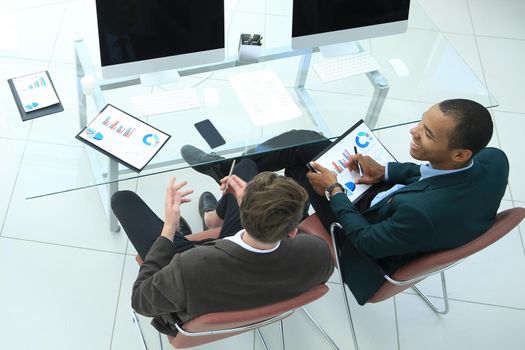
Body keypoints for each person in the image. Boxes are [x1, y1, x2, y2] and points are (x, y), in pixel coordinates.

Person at [181, 98, 509, 305]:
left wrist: (334, 190)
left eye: (427, 134)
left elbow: (367, 242)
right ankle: (230, 175)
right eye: (421, 123)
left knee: (301, 167)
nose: (413, 131)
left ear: (460, 152)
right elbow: (430, 174)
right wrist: (387, 171)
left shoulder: (422, 214)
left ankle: (236, 209)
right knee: (310, 142)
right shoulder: (493, 159)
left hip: (364, 239)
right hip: (394, 211)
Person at [111, 159, 334, 335]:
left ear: (239, 210)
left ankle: (206, 220)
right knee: (245, 167)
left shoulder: (188, 267)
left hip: (203, 270)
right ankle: (212, 219)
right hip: (229, 268)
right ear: (293, 230)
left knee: (122, 199)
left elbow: (140, 300)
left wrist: (169, 228)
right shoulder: (319, 254)